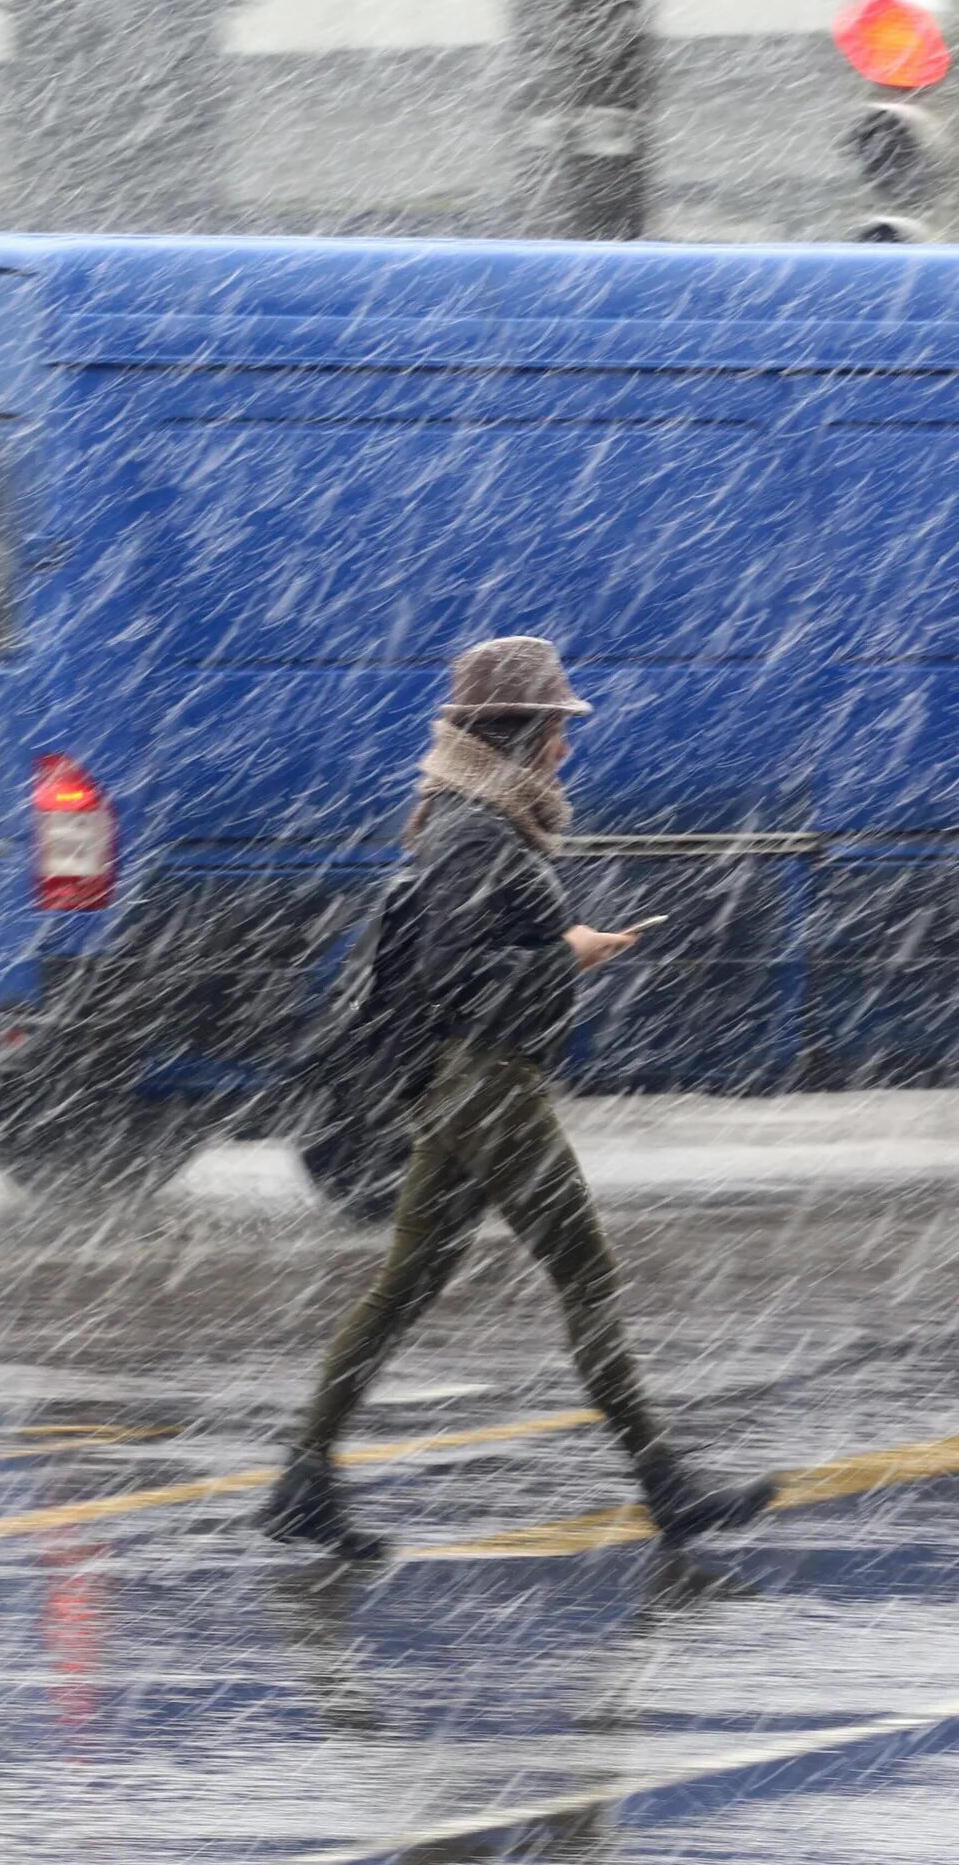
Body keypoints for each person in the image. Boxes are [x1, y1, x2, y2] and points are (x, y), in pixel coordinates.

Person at [259, 635, 779, 1562]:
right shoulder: (475, 831)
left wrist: (554, 945)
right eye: (558, 731)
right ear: (526, 735)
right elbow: (456, 975)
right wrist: (564, 956)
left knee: (407, 1283)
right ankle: (668, 1488)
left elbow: (460, 960)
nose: (567, 750)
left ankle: (304, 1478)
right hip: (488, 1084)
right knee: (586, 1274)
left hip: (467, 1087)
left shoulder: (471, 819)